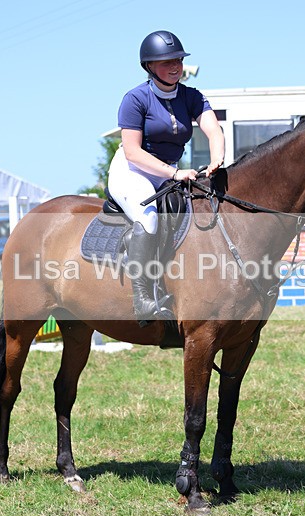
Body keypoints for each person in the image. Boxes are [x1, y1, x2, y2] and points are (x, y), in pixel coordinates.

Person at [107, 30, 225, 321]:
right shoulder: (135, 99)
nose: (174, 66)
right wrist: (174, 172)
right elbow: (133, 152)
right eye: (165, 62)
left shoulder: (191, 96)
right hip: (132, 171)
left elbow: (212, 129)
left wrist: (217, 157)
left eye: (178, 60)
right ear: (149, 66)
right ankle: (142, 298)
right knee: (148, 216)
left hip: (168, 172)